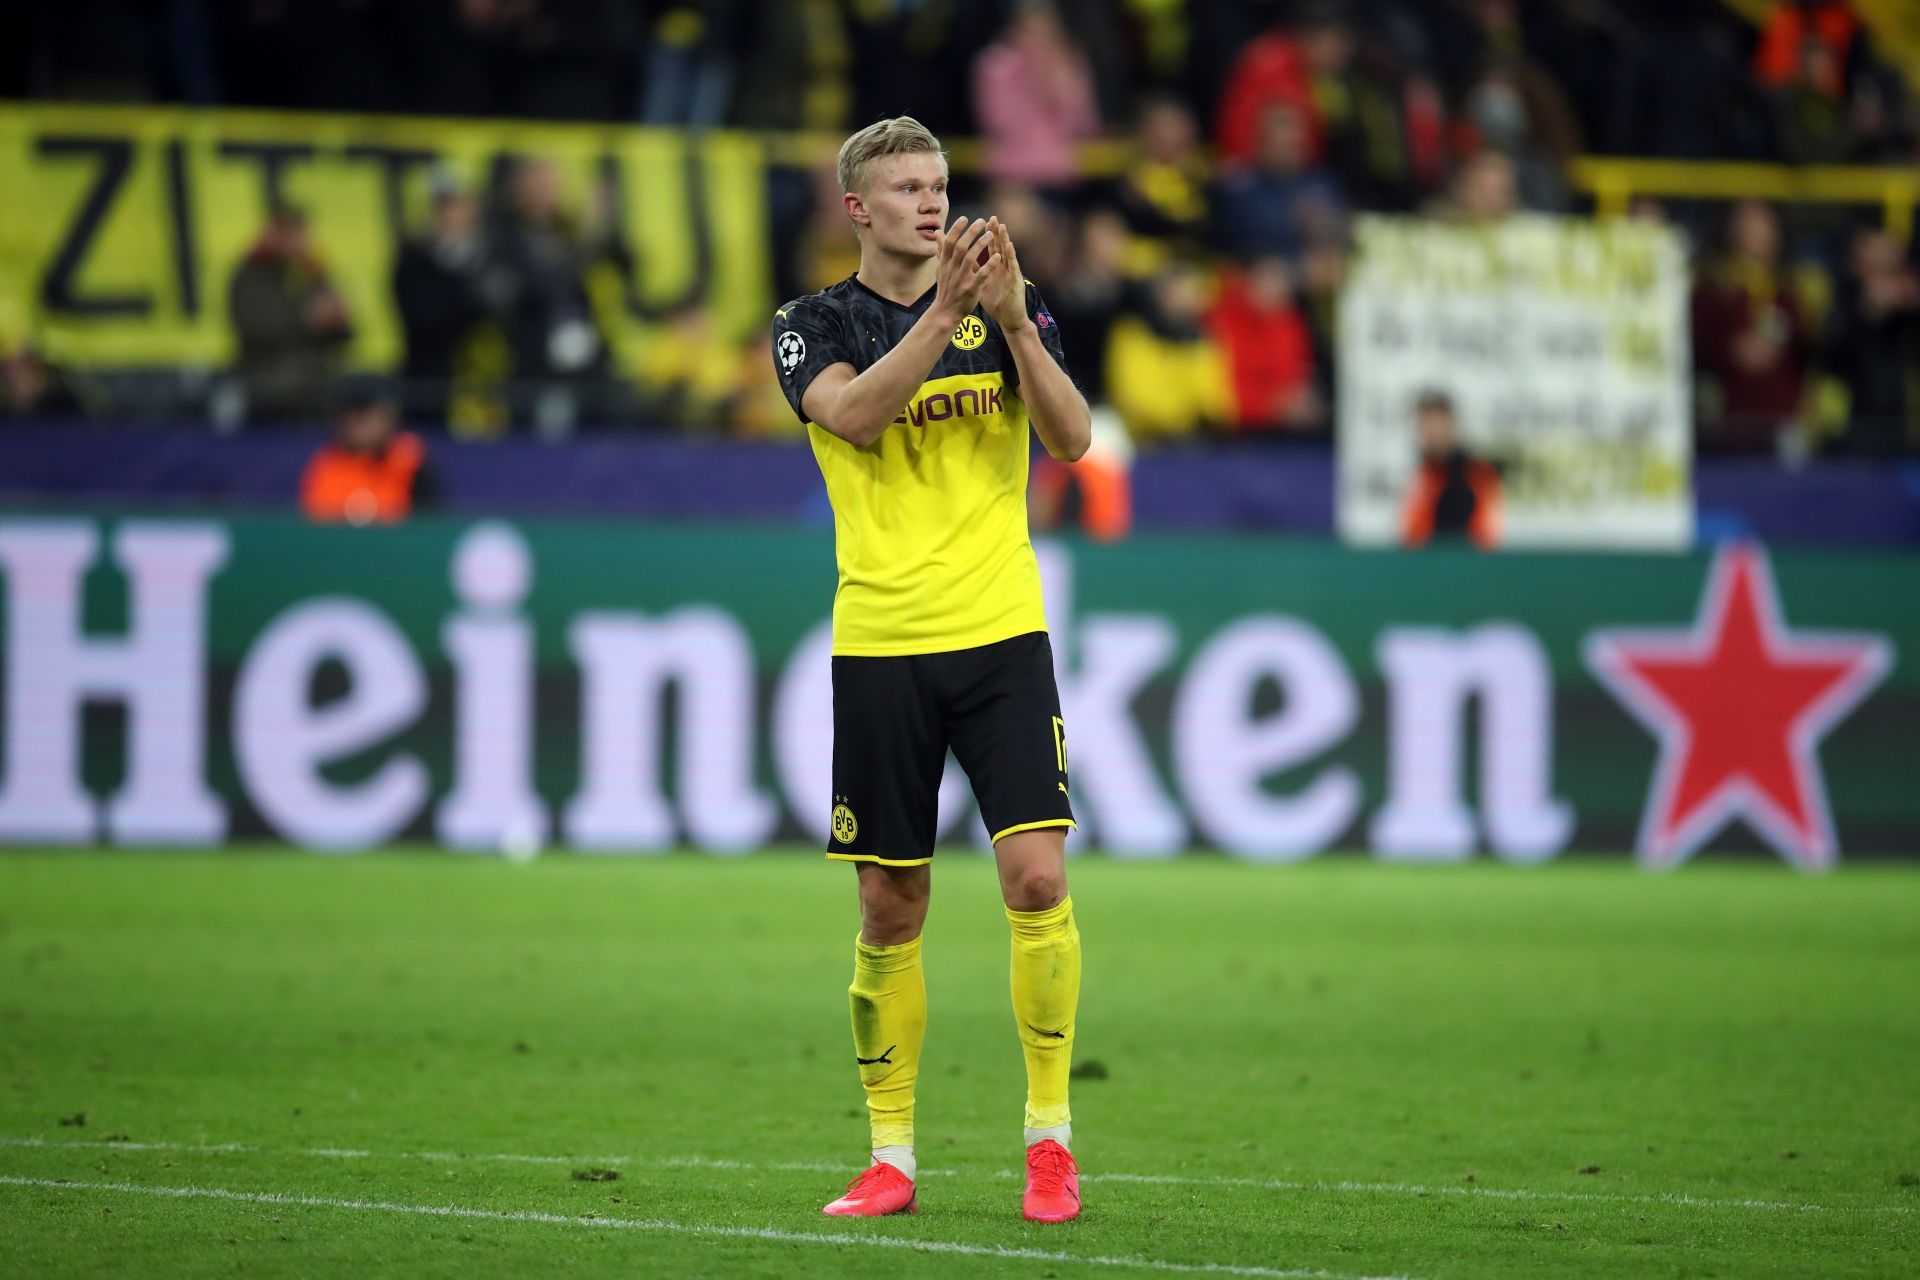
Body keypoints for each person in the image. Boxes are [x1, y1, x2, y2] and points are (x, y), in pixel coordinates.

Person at [769, 116, 1091, 1224]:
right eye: (905, 187)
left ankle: (1050, 1142)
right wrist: (951, 313)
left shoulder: (1007, 301)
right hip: (882, 643)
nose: (930, 202)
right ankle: (891, 1154)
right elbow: (853, 416)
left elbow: (1075, 438)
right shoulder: (812, 324)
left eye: (940, 184)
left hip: (1002, 631)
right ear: (855, 207)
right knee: (889, 899)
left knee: (1038, 880)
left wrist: (1014, 326)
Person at [228, 203, 352, 423]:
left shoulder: (311, 272)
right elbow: (255, 327)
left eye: (300, 232)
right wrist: (307, 318)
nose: (296, 240)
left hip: (316, 392)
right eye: (289, 232)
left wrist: (338, 316)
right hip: (269, 394)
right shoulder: (250, 275)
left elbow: (342, 333)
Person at [300, 384, 434, 525]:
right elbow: (316, 520)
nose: (363, 428)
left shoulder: (411, 461)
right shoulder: (326, 463)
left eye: (369, 418)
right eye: (356, 419)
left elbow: (426, 521)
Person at [1400, 390, 1502, 550]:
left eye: (1437, 424)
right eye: (1425, 425)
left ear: (1451, 425)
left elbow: (1486, 537)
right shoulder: (1422, 476)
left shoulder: (1477, 475)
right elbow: (1411, 535)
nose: (1431, 433)